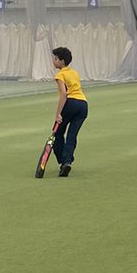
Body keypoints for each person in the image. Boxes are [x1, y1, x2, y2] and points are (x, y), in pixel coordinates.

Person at [51, 46, 88, 178]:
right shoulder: (74, 72)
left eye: (55, 59)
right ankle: (67, 162)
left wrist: (58, 114)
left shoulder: (60, 75)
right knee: (72, 135)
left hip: (71, 103)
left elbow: (63, 94)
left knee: (58, 133)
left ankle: (63, 161)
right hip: (83, 105)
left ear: (61, 61)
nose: (54, 61)